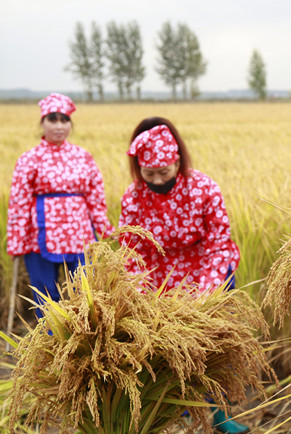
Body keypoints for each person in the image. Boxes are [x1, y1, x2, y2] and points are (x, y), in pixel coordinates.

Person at [118, 118, 247, 433]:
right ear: (139, 170)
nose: (158, 180)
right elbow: (132, 253)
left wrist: (204, 296)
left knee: (212, 346)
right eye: (150, 175)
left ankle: (219, 414)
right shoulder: (133, 198)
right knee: (165, 349)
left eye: (165, 173)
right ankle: (179, 410)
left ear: (178, 161)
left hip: (207, 270)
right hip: (158, 277)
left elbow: (218, 244)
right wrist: (143, 297)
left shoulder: (204, 188)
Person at [7, 93, 114, 320]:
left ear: (70, 124)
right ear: (42, 122)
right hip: (40, 234)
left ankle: (85, 344)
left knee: (86, 292)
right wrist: (17, 239)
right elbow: (19, 201)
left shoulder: (83, 156)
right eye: (52, 119)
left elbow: (96, 197)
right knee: (45, 294)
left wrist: (105, 229)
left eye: (64, 120)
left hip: (80, 233)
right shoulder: (29, 159)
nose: (59, 126)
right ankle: (51, 343)